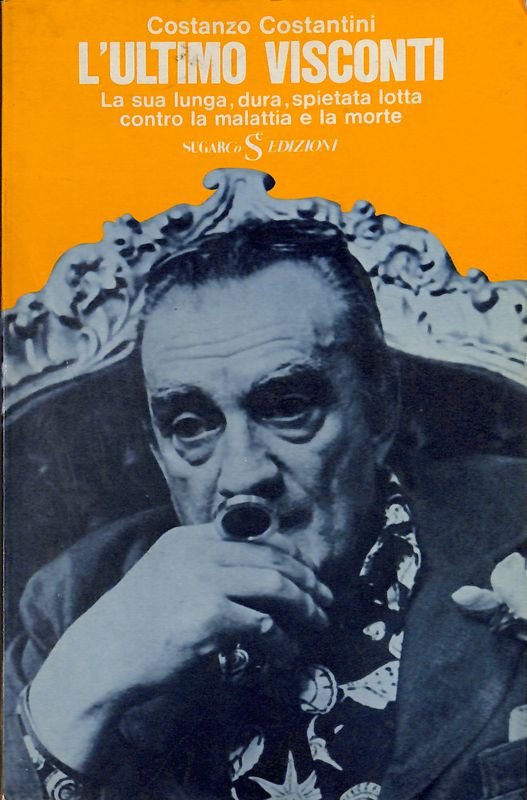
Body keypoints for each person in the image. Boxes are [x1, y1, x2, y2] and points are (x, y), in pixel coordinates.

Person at [4, 220, 526, 800]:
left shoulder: (517, 523)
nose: (243, 474)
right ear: (156, 450)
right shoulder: (70, 601)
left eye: (287, 407)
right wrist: (81, 690)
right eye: (191, 426)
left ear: (380, 407)